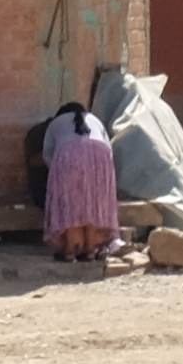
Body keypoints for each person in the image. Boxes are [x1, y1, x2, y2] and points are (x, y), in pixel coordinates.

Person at [37, 97, 117, 259]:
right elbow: (108, 149)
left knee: (70, 203)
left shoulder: (55, 123)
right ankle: (90, 249)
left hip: (68, 155)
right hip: (100, 157)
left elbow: (47, 155)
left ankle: (70, 249)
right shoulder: (95, 120)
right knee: (94, 204)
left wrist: (59, 177)